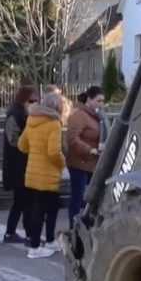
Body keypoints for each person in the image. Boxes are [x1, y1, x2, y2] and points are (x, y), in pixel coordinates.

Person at [18, 92, 66, 259]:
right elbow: (54, 152)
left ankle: (41, 242)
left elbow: (21, 145)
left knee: (40, 208)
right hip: (48, 174)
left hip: (32, 173)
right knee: (48, 210)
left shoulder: (31, 121)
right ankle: (38, 246)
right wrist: (62, 162)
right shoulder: (54, 124)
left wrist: (35, 152)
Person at [65, 86, 105, 227]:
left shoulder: (96, 116)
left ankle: (85, 227)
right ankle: (73, 228)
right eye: (98, 101)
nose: (101, 104)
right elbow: (72, 138)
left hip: (91, 164)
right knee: (77, 198)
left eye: (102, 101)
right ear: (89, 99)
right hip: (79, 163)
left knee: (89, 199)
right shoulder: (79, 115)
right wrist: (90, 150)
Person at [1, 86, 35, 244]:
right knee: (24, 200)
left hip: (19, 163)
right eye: (32, 101)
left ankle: (11, 232)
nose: (34, 104)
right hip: (18, 163)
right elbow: (13, 139)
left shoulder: (19, 113)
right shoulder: (16, 114)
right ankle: (26, 233)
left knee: (21, 201)